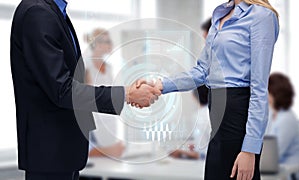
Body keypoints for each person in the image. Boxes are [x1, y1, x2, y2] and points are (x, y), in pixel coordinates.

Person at [10, 0, 160, 180]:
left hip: (64, 151)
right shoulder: (38, 13)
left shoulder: (56, 12)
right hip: (50, 152)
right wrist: (127, 94)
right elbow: (62, 89)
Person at [137, 0, 279, 179]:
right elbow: (202, 71)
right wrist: (159, 85)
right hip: (217, 120)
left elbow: (259, 88)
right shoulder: (220, 14)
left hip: (238, 117)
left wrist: (250, 149)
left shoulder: (261, 15)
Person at [85, 28, 125, 158]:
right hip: (94, 122)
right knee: (98, 157)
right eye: (107, 41)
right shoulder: (86, 67)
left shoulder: (109, 68)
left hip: (109, 121)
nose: (110, 44)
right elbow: (85, 98)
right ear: (97, 44)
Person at [265, 73, 299, 165]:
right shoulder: (271, 114)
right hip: (271, 166)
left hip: (287, 171)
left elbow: (275, 153)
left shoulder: (287, 119)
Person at [170, 86, 210, 160]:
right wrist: (196, 146)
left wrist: (183, 153)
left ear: (194, 96)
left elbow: (204, 153)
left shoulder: (200, 116)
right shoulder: (211, 112)